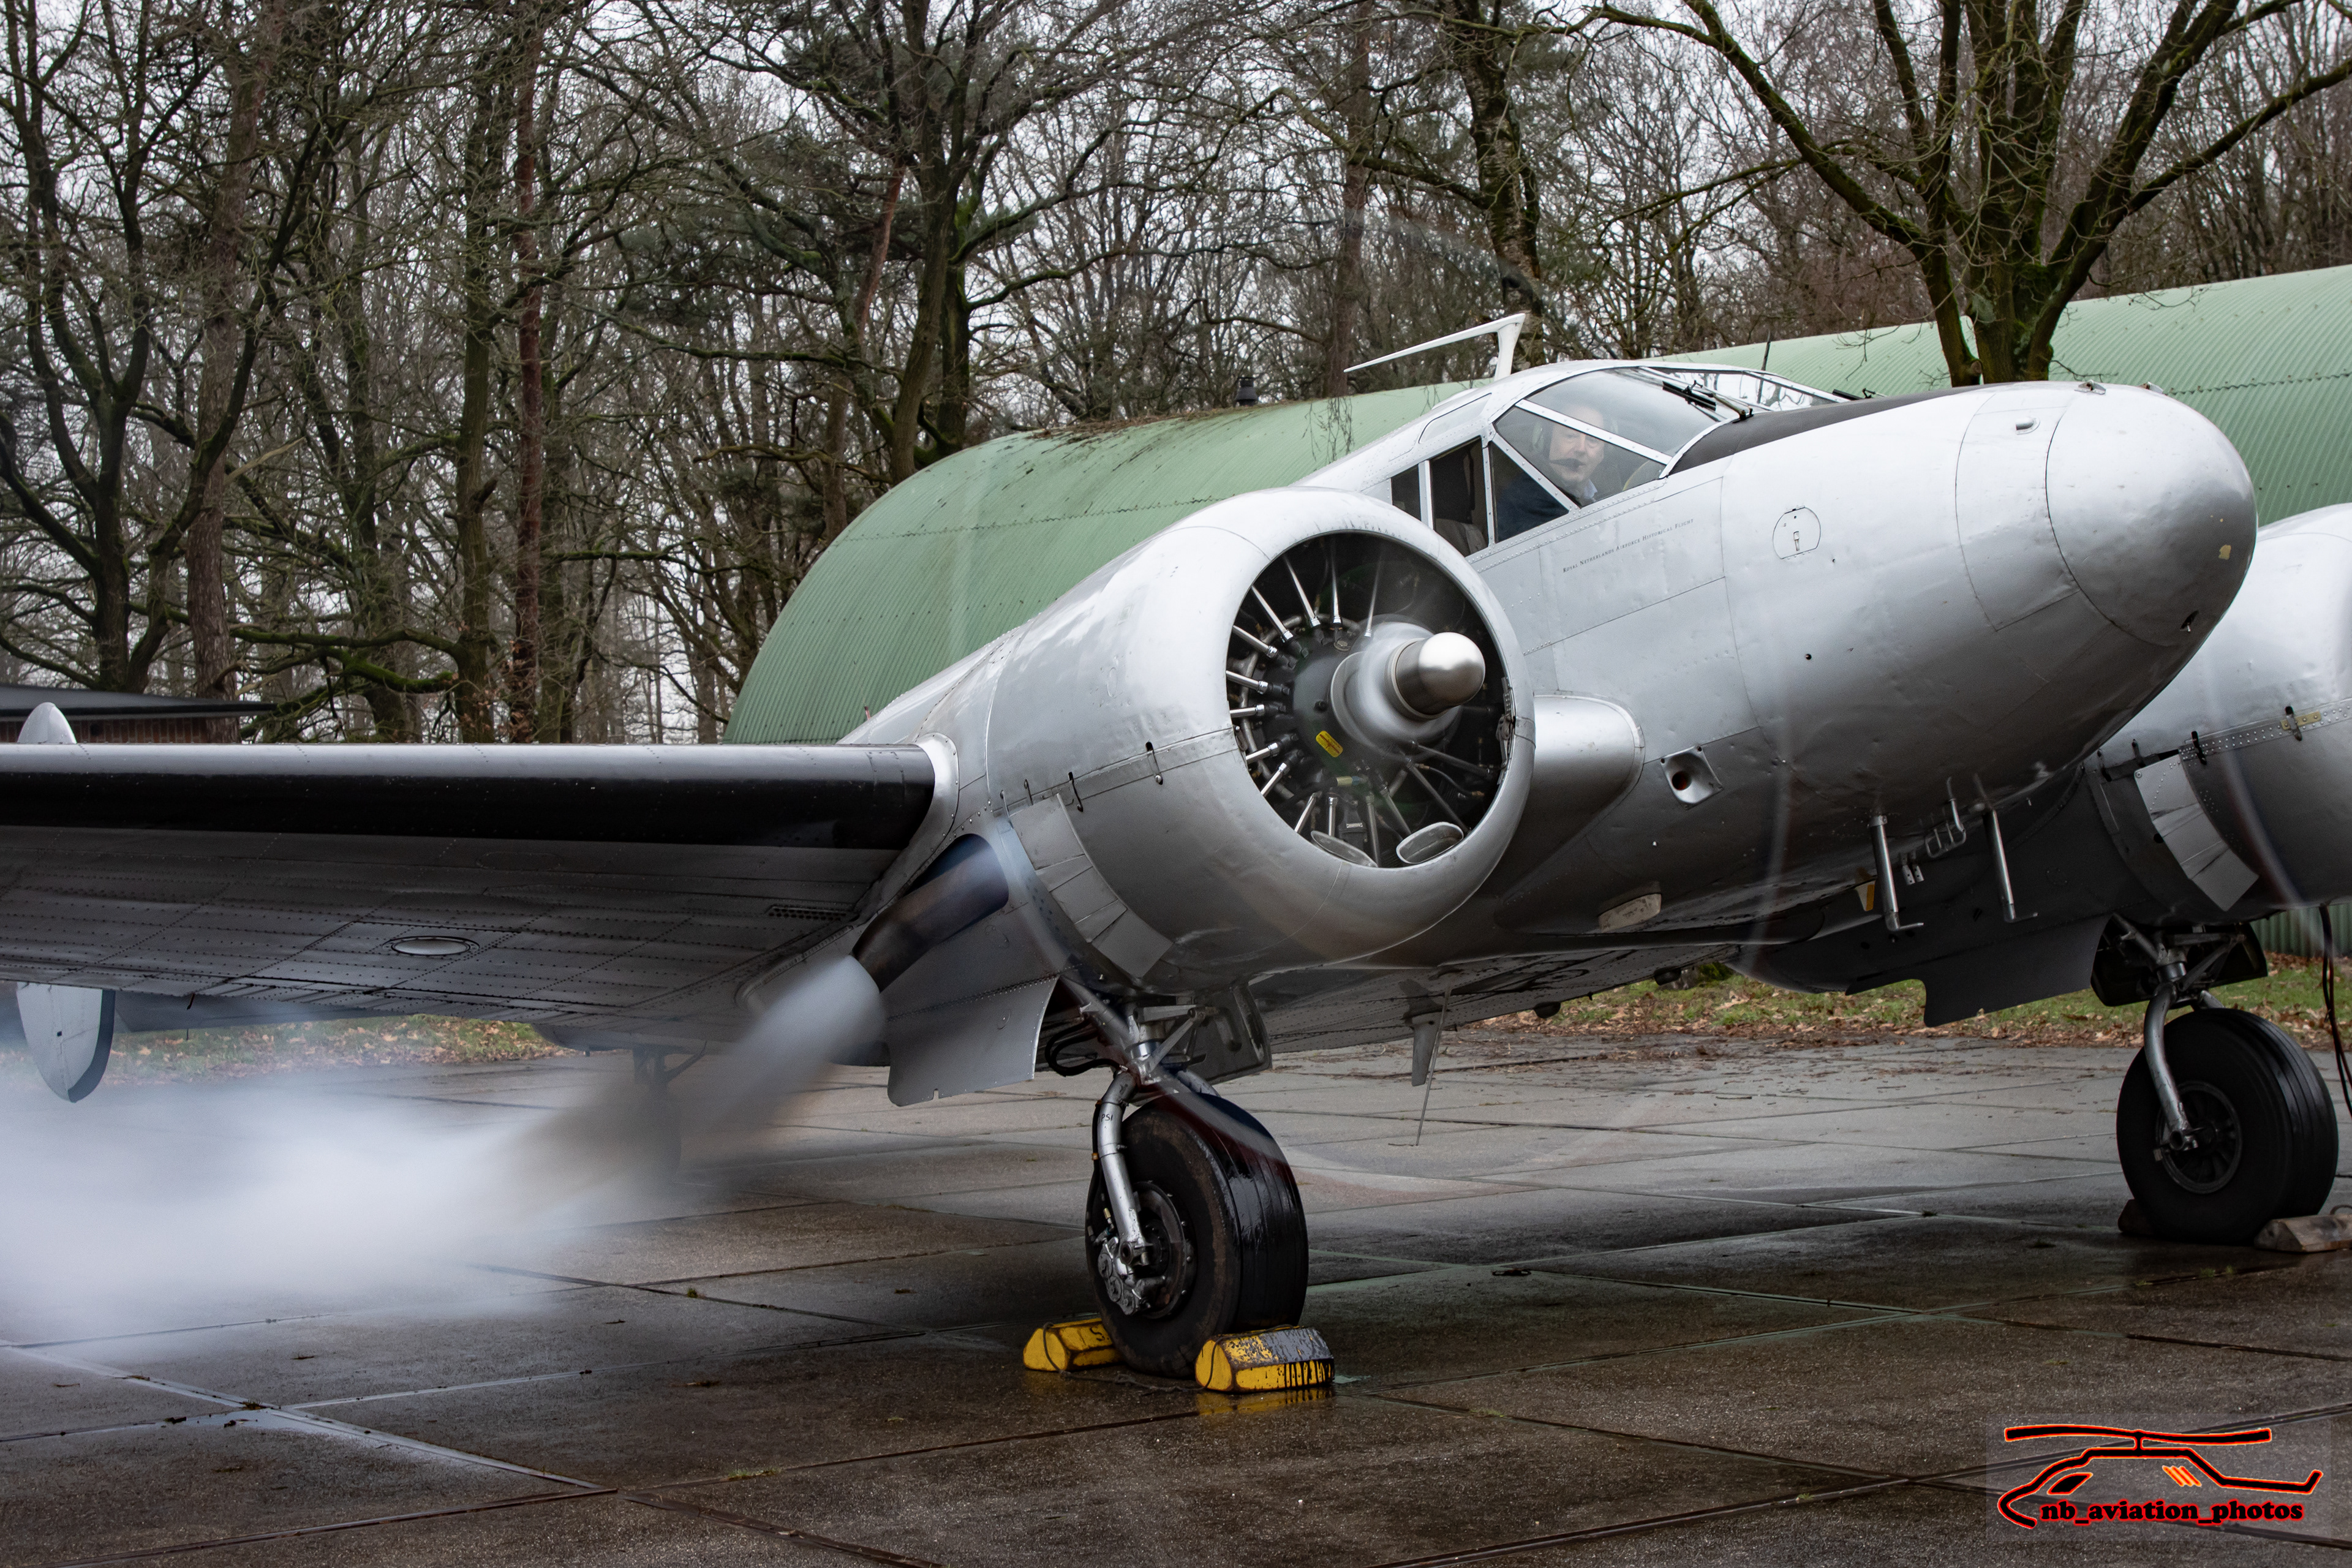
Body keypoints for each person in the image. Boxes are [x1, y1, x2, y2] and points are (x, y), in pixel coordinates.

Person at [1494, 404, 1610, 541]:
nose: (1581, 449)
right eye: (1571, 436)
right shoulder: (1523, 501)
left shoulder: (1603, 500)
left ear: (1602, 454)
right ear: (1547, 443)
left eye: (1592, 440)